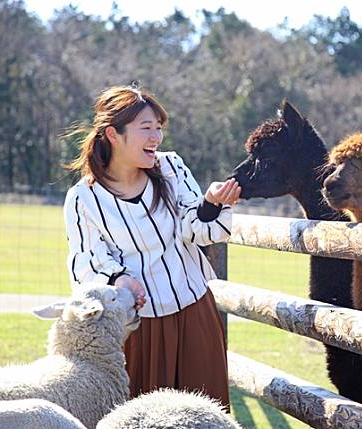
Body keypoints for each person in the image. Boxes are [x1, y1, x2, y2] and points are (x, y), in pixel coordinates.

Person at [63, 85, 240, 408]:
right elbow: (86, 264)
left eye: (159, 129)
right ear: (113, 135)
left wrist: (211, 203)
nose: (156, 138)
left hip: (194, 315)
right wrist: (119, 280)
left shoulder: (171, 167)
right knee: (142, 419)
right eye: (146, 128)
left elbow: (196, 227)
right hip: (137, 328)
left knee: (206, 418)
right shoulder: (83, 198)